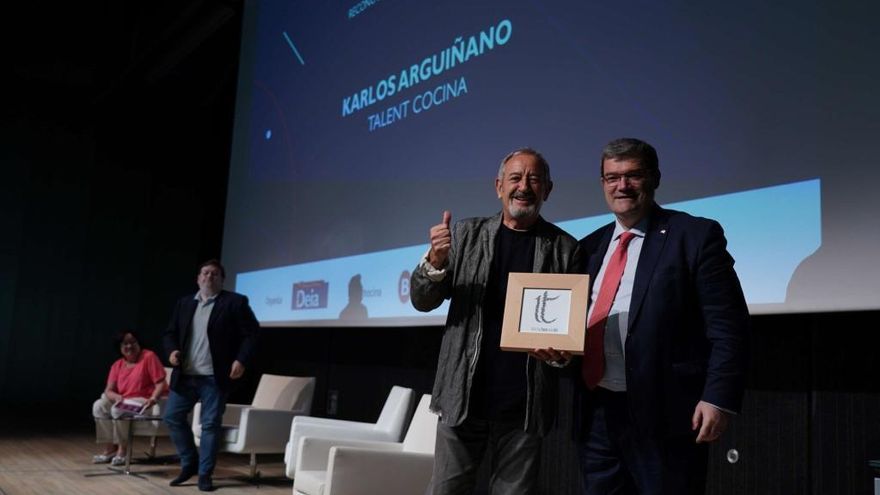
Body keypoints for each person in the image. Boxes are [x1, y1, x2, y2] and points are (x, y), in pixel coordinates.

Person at [537, 138, 750, 494]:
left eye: (633, 175)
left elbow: (729, 327)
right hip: (597, 414)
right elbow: (577, 326)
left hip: (667, 415)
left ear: (654, 179)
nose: (622, 186)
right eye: (612, 177)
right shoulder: (587, 247)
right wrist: (560, 356)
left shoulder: (694, 236)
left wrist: (717, 398)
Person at [410, 148, 581, 494]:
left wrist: (561, 355)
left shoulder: (566, 249)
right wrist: (436, 260)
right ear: (498, 186)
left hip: (525, 407)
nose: (524, 187)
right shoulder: (465, 235)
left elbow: (570, 335)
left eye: (534, 179)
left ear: (548, 189)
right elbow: (422, 300)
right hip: (463, 398)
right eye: (516, 178)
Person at [162, 259, 259, 492]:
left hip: (214, 378)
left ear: (222, 279)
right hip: (186, 375)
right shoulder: (185, 303)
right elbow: (170, 333)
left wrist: (241, 359)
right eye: (205, 273)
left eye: (215, 274)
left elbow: (251, 334)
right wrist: (172, 351)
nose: (209, 277)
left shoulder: (235, 302)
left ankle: (205, 474)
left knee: (210, 425)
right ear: (198, 278)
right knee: (172, 417)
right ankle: (189, 463)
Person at [91, 330, 167, 466]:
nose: (129, 346)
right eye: (125, 344)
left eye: (133, 342)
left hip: (145, 402)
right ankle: (110, 449)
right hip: (124, 400)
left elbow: (161, 383)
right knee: (99, 405)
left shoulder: (148, 357)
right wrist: (116, 396)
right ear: (120, 348)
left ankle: (122, 450)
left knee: (117, 409)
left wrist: (154, 398)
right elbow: (108, 390)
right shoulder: (117, 365)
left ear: (139, 344)